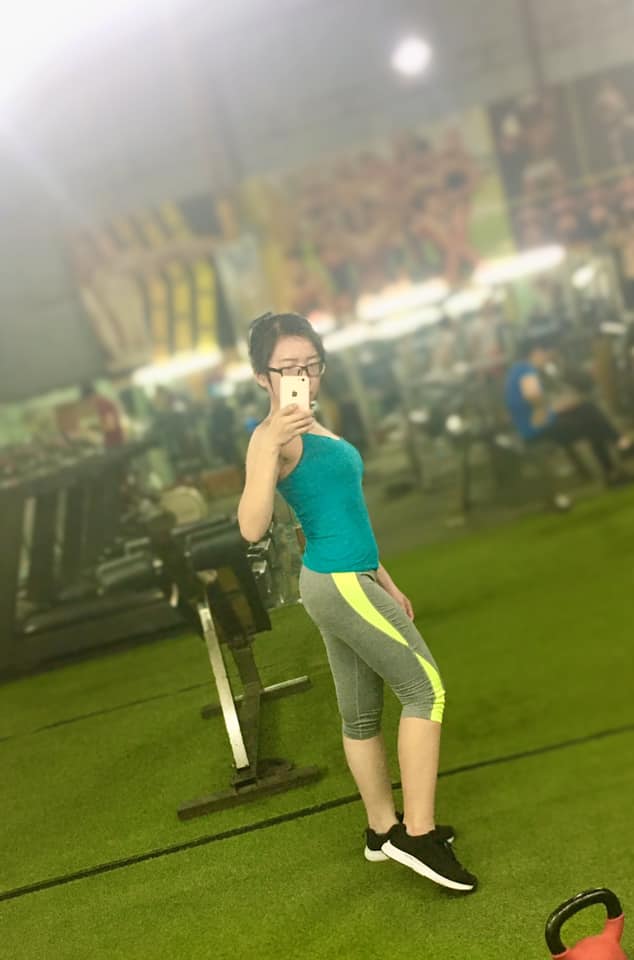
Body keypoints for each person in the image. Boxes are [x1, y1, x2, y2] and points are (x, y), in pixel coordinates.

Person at [237, 311, 477, 893]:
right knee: (426, 690)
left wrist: (384, 579)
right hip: (337, 581)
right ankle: (417, 835)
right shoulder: (273, 438)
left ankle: (381, 831)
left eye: (311, 364)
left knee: (361, 716)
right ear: (262, 376)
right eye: (288, 367)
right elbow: (251, 526)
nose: (303, 376)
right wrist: (267, 445)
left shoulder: (316, 424)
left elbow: (344, 514)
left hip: (351, 577)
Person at [504, 336, 633, 485]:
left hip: (538, 426)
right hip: (538, 429)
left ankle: (619, 452)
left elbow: (532, 402)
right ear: (536, 352)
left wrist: (560, 406)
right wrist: (554, 408)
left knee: (587, 410)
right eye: (546, 354)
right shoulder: (525, 369)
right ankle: (618, 455)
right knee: (592, 422)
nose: (547, 359)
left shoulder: (516, 371)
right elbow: (533, 395)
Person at [80, 382, 124, 448]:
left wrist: (90, 432)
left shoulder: (103, 405)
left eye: (88, 401)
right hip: (114, 441)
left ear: (91, 397)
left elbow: (110, 425)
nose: (90, 404)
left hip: (115, 443)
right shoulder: (104, 402)